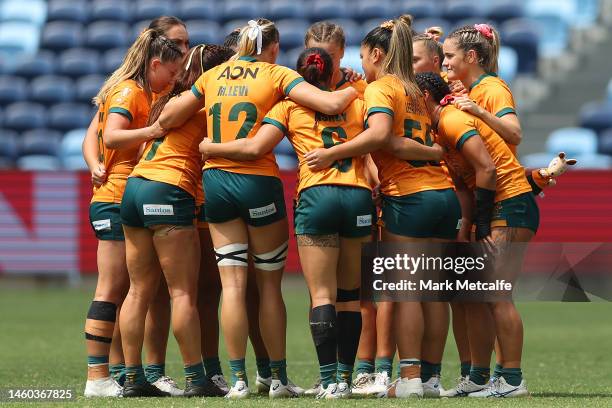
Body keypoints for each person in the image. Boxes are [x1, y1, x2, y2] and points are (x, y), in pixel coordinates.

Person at [158, 18, 358, 399]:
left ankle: (237, 381)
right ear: (274, 46)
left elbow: (168, 117)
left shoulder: (213, 76)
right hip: (257, 182)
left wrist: (205, 140)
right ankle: (278, 379)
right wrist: (356, 87)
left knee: (232, 285)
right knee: (268, 286)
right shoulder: (276, 74)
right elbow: (330, 102)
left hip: (216, 183)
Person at [200, 47, 375, 399]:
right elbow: (379, 138)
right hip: (357, 196)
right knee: (351, 297)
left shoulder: (288, 107)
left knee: (321, 294)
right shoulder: (358, 99)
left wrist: (210, 147)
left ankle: (326, 382)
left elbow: (252, 149)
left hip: (317, 197)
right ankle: (345, 377)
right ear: (331, 73)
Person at [304, 16, 457, 398]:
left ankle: (408, 379)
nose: (361, 65)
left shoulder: (382, 88)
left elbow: (381, 137)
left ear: (376, 54)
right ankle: (431, 379)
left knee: (404, 291)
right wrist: (435, 151)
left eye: (362, 56)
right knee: (433, 293)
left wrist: (331, 153)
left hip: (409, 196)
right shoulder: (415, 88)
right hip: (444, 195)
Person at [119, 43, 235, 398]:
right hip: (169, 191)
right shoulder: (206, 106)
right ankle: (196, 378)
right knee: (182, 291)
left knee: (138, 291)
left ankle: (131, 377)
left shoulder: (168, 99)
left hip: (135, 188)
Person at [82, 28, 184, 397]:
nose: (173, 79)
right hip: (113, 197)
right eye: (171, 72)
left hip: (122, 195)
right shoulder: (130, 91)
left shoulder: (137, 89)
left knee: (125, 288)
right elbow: (111, 136)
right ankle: (97, 378)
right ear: (155, 64)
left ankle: (126, 374)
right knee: (110, 288)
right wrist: (154, 130)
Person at [442, 25, 540, 397]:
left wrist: (478, 110)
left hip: (510, 201)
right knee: (480, 294)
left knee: (496, 293)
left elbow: (514, 134)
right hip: (497, 201)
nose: (446, 62)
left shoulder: (492, 89)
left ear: (471, 57)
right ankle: (479, 378)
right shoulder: (468, 91)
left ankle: (512, 380)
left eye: (450, 56)